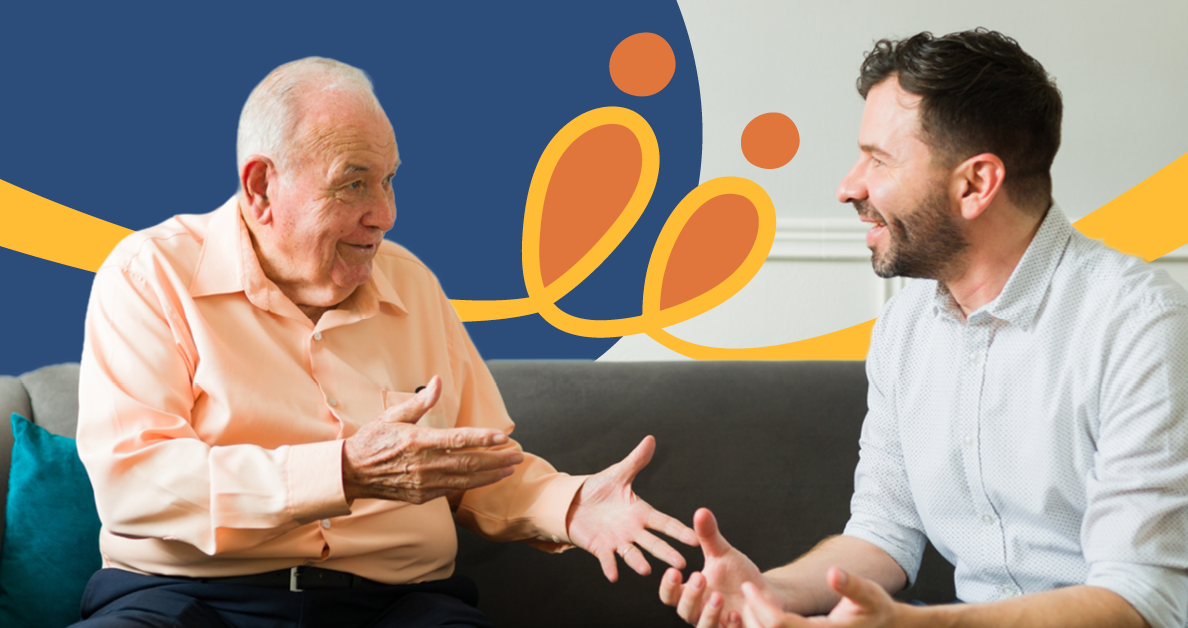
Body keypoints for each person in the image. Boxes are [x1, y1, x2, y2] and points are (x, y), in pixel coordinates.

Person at [73, 57, 697, 627]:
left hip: (394, 607)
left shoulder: (413, 284)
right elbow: (138, 484)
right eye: (354, 183)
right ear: (261, 188)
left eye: (390, 180)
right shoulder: (148, 276)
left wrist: (570, 503)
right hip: (188, 600)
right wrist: (341, 471)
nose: (385, 213)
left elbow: (471, 466)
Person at [658, 28, 1188, 628]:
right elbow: (885, 533)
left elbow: (1144, 599)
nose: (848, 186)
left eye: (878, 160)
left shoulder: (1141, 327)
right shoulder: (905, 326)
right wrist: (769, 590)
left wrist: (917, 625)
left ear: (975, 184)